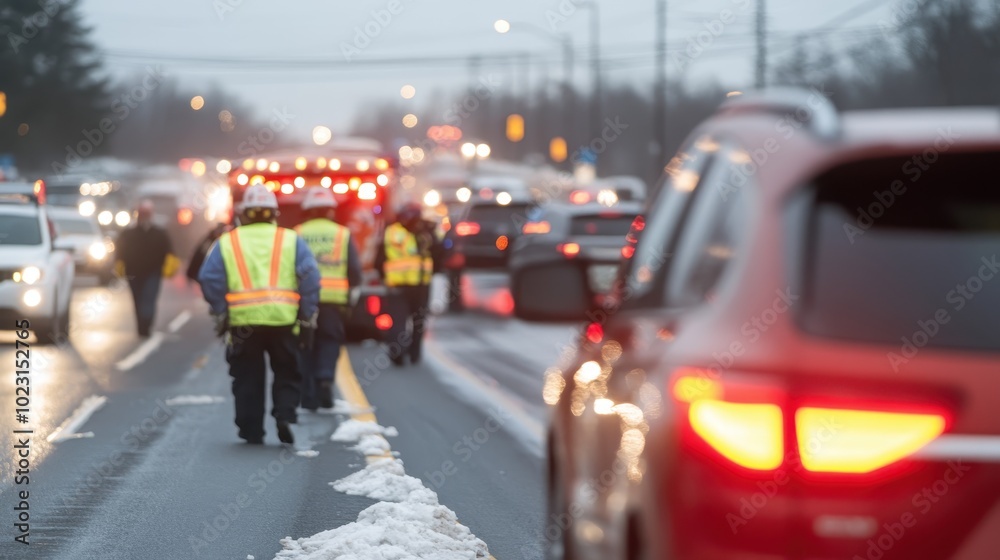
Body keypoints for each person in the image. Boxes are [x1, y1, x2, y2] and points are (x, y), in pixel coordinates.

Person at [198, 184, 320, 445]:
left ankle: (251, 430)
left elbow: (209, 278)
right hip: (283, 320)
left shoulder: (228, 241)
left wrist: (221, 310)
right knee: (287, 370)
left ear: (244, 213)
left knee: (247, 376)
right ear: (274, 213)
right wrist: (307, 313)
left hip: (243, 323)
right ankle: (285, 414)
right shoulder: (290, 239)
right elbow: (310, 277)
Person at [295, 188, 362, 410]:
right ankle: (324, 379)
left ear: (308, 210)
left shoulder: (297, 233)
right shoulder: (342, 233)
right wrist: (352, 293)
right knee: (329, 341)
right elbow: (354, 268)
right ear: (331, 211)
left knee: (305, 343)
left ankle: (308, 396)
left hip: (304, 299)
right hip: (333, 300)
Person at [375, 202, 442, 366]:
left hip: (398, 285)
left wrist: (385, 277)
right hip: (420, 284)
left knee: (399, 321)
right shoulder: (425, 233)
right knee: (417, 321)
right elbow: (439, 253)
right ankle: (413, 354)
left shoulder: (391, 232)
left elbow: (379, 259)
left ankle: (398, 354)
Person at [115, 200, 174, 337]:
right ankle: (141, 327)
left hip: (153, 272)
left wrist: (169, 265)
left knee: (148, 299)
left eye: (146, 213)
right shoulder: (128, 233)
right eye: (142, 213)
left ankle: (147, 325)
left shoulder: (159, 233)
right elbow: (120, 251)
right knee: (137, 300)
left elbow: (169, 251)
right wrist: (119, 264)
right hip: (133, 273)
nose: (144, 216)